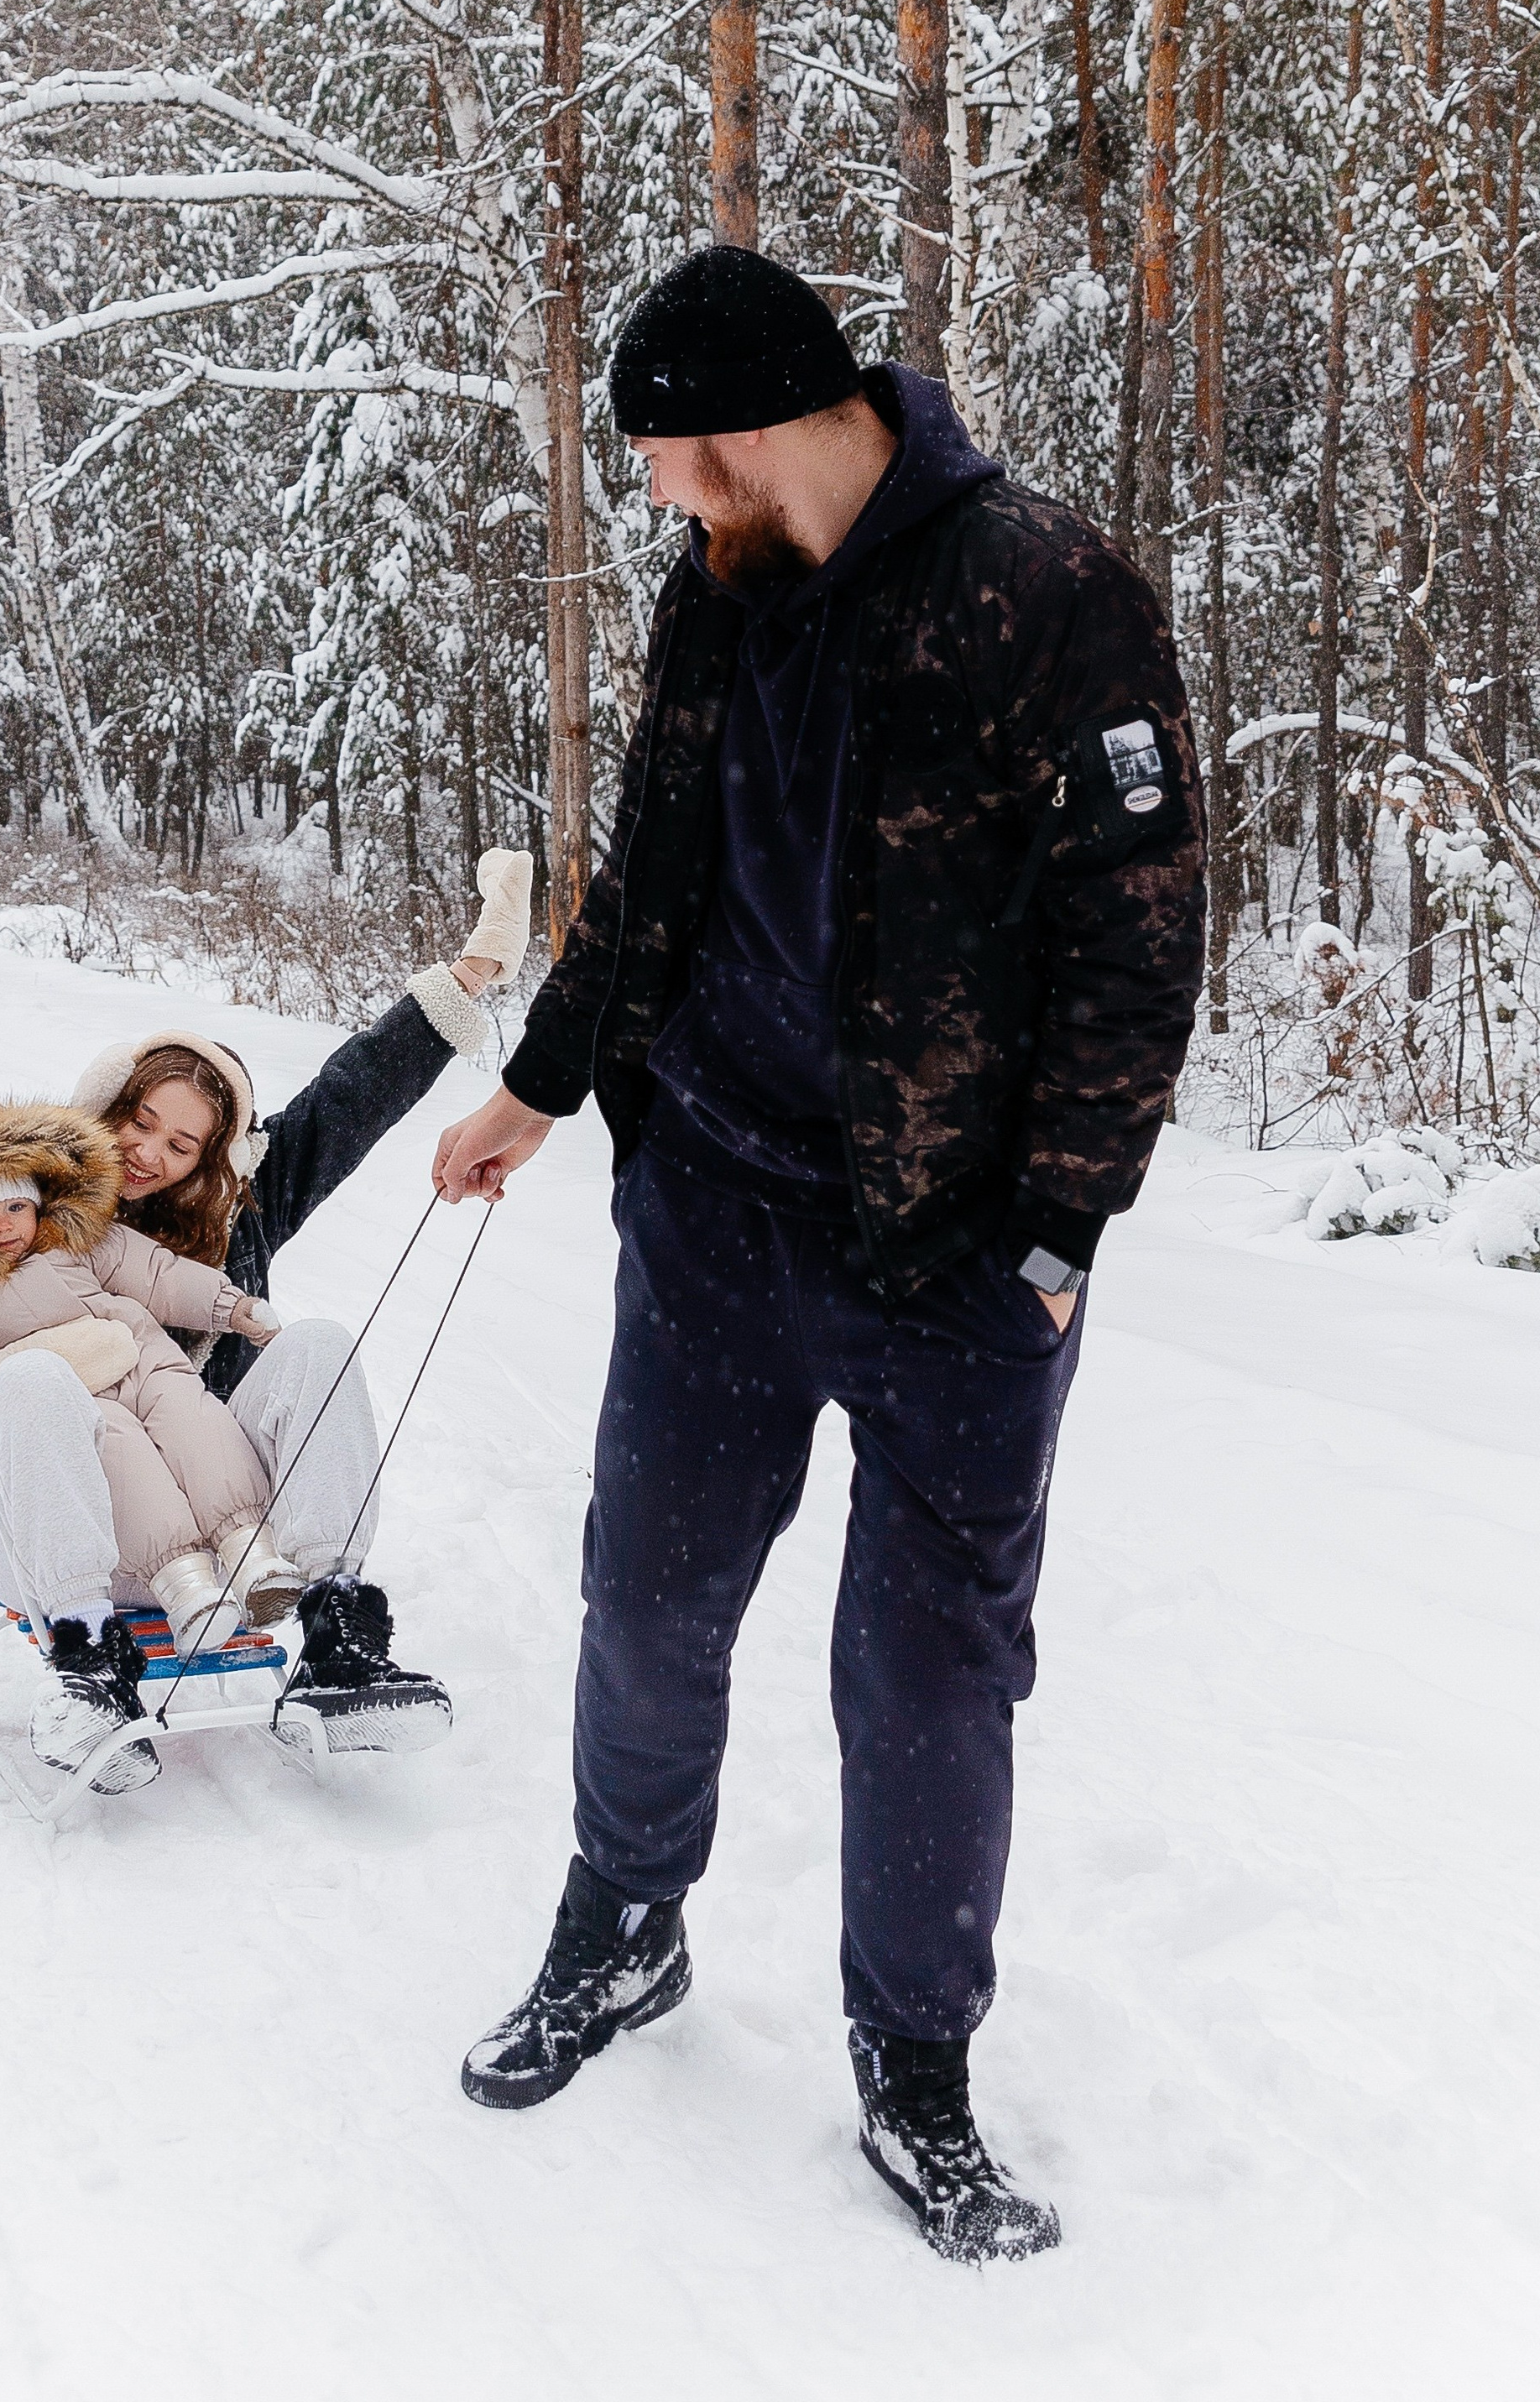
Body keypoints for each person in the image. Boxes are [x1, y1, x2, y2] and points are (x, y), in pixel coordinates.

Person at [432, 250, 1205, 2263]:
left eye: (684, 461)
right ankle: (622, 1920)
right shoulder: (724, 583)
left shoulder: (1048, 589)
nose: (671, 501)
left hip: (951, 1250)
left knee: (924, 1671)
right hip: (708, 1188)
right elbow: (652, 864)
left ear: (773, 422)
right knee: (648, 1588)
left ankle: (914, 2058)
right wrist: (539, 1077)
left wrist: (1053, 1235)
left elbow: (1139, 938)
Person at [0, 850, 535, 1786]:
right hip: (59, 1522)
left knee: (315, 1345)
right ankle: (87, 1678)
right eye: (137, 1120)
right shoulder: (6, 1219)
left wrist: (476, 968)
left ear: (209, 1157)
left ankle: (338, 1633)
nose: (148, 1152)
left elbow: (357, 1093)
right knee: (28, 1379)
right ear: (102, 1108)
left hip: (220, 1517)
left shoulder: (237, 1216)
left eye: (180, 1142)